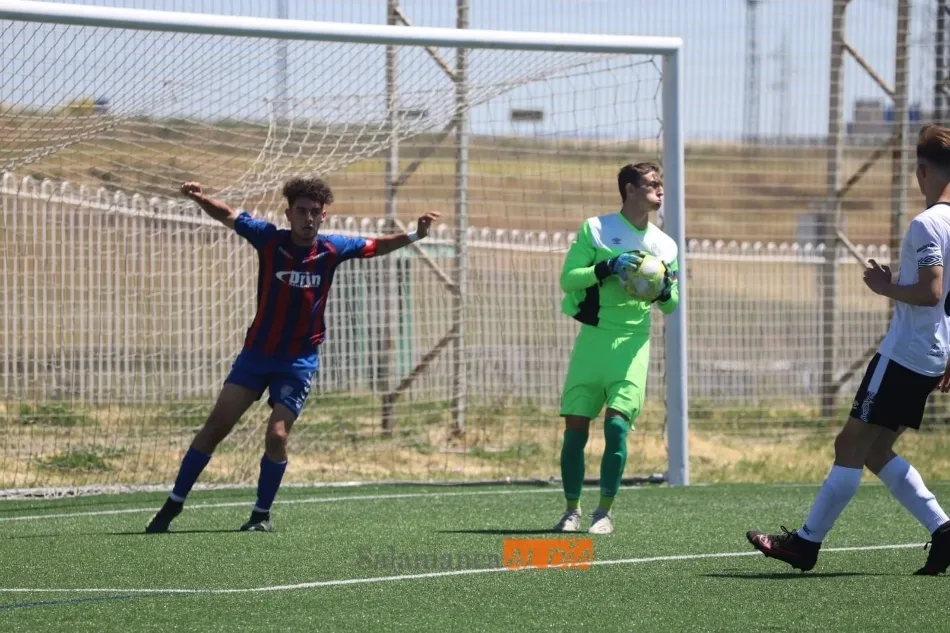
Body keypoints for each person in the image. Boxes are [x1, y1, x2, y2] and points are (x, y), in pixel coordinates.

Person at [145, 177, 439, 533]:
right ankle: (172, 506)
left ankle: (260, 515)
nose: (308, 218)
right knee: (216, 428)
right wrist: (200, 198)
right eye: (301, 211)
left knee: (278, 434)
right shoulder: (269, 239)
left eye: (315, 212)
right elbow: (228, 214)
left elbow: (378, 245)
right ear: (289, 214)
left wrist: (416, 234)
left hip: (297, 362)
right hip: (256, 355)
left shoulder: (333, 249)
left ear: (323, 216)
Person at [747, 123, 950, 575]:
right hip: (933, 354)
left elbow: (932, 291)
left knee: (849, 444)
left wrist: (884, 286)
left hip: (906, 354)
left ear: (921, 170)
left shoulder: (928, 223)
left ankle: (805, 543)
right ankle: (943, 529)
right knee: (875, 451)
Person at [554, 162, 680, 535]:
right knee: (575, 429)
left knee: (617, 427)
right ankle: (571, 511)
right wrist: (607, 266)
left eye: (661, 183)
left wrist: (664, 290)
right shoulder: (596, 229)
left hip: (632, 343)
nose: (660, 189)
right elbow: (568, 280)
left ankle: (604, 513)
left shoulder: (665, 245)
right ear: (629, 189)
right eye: (652, 184)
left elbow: (672, 305)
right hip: (593, 340)